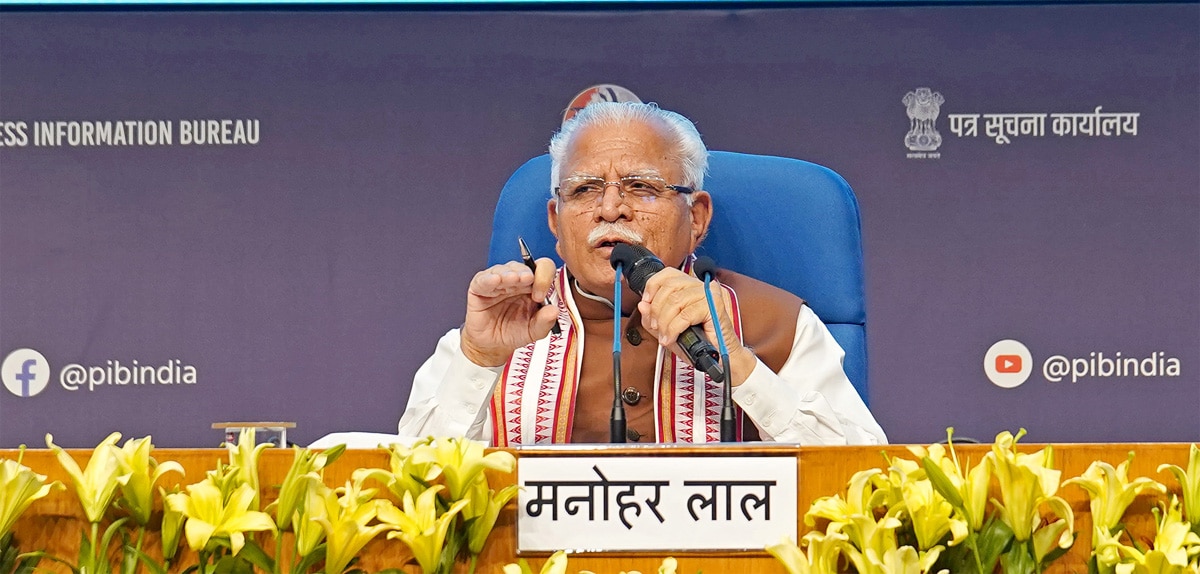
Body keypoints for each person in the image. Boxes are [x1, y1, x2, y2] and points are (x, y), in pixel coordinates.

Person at [399, 102, 886, 446]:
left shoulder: (776, 323)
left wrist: (742, 366)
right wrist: (479, 359)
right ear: (555, 222)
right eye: (586, 190)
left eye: (640, 187)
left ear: (696, 218)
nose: (611, 208)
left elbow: (864, 484)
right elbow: (415, 492)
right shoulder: (501, 329)